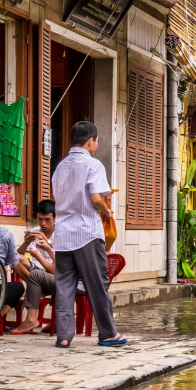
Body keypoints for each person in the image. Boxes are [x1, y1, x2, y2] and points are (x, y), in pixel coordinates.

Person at [51, 121, 127, 348]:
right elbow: (96, 199)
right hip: (86, 231)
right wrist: (107, 211)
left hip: (63, 233)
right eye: (96, 141)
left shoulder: (60, 166)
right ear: (91, 141)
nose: (96, 144)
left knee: (64, 285)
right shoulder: (93, 165)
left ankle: (64, 337)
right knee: (97, 283)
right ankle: (108, 333)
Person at [10, 200, 57, 335]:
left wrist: (47, 243)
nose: (43, 224)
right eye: (40, 219)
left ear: (55, 218)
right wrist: (26, 243)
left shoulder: (62, 232)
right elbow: (17, 255)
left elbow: (55, 268)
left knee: (37, 274)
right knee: (16, 259)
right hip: (38, 271)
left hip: (54, 274)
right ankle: (38, 290)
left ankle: (36, 295)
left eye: (47, 220)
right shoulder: (35, 231)